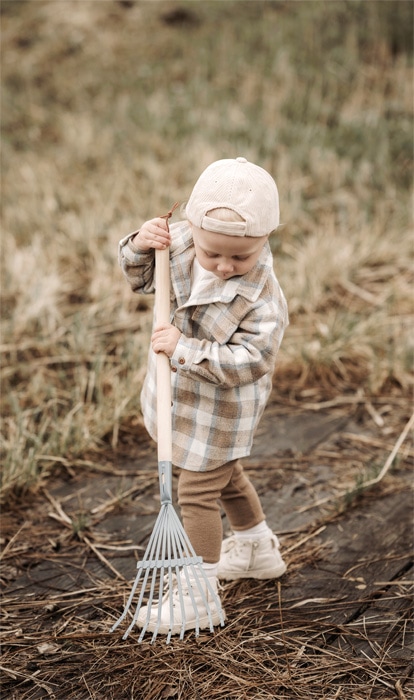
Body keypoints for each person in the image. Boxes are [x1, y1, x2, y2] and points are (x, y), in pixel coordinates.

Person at [118, 157, 288, 635]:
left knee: (195, 491)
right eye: (213, 253)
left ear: (266, 240)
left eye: (242, 256)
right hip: (174, 402)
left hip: (219, 412)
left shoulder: (262, 298)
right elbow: (140, 278)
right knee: (227, 476)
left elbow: (251, 360)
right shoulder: (181, 247)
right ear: (192, 227)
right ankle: (256, 550)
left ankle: (199, 593)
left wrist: (186, 350)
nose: (225, 265)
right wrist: (139, 244)